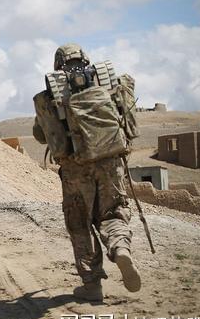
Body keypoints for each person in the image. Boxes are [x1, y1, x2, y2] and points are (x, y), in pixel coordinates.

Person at [32, 43, 141, 301]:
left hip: (75, 168)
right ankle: (120, 247)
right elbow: (127, 119)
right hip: (110, 162)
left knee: (80, 223)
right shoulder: (106, 84)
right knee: (112, 212)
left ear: (58, 64)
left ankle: (92, 285)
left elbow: (39, 135)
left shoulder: (51, 95)